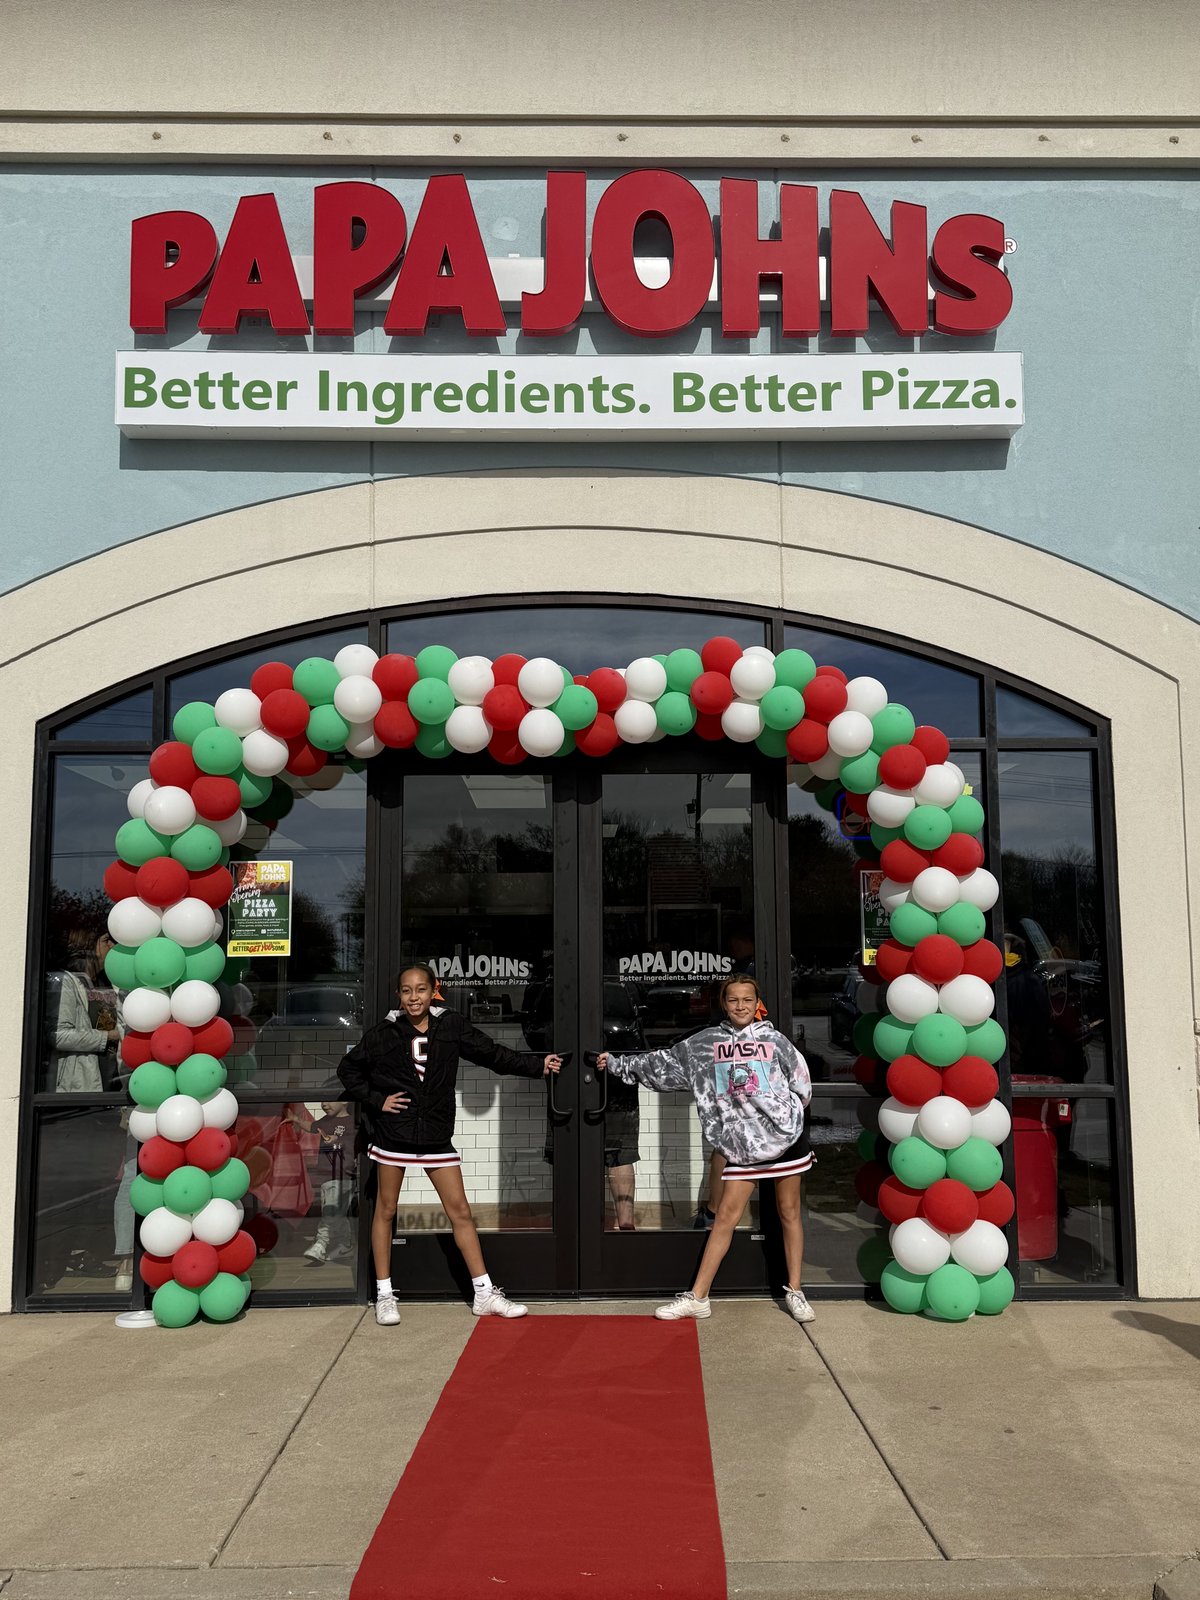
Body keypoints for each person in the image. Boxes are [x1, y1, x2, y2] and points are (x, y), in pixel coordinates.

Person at [339, 963, 562, 1326]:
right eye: (407, 991)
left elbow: (492, 1054)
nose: (414, 997)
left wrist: (537, 1066)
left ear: (433, 991)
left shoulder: (451, 1026)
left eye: (421, 990)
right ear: (399, 995)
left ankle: (484, 1293)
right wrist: (378, 1100)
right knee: (386, 1210)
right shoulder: (382, 1034)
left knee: (460, 1211)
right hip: (394, 1134)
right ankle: (384, 1293)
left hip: (435, 1134)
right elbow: (348, 1069)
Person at [595, 973, 815, 1324]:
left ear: (757, 1004)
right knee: (726, 1217)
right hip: (743, 1146)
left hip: (786, 1140)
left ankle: (795, 1290)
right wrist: (619, 1064)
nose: (740, 1006)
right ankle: (698, 1297)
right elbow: (664, 1063)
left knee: (788, 1212)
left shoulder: (776, 1041)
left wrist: (781, 1117)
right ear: (723, 1004)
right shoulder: (705, 1043)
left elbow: (801, 1085)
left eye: (747, 999)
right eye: (733, 1000)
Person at [47, 926, 122, 1092]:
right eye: (106, 940)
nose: (112, 945)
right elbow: (58, 1036)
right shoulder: (66, 982)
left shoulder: (108, 982)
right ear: (88, 946)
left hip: (115, 1074)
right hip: (82, 1081)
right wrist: (110, 1036)